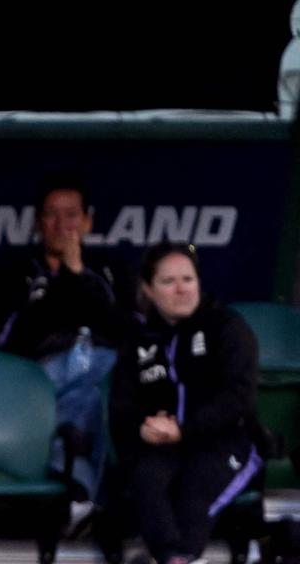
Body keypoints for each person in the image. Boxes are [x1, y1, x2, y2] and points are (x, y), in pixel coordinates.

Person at [0, 176, 132, 519]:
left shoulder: (108, 268)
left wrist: (78, 272)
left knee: (94, 393)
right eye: (52, 215)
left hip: (106, 369)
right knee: (86, 395)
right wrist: (63, 279)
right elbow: (4, 339)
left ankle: (76, 493)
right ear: (37, 222)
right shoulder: (16, 270)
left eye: (71, 215)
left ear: (88, 221)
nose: (62, 225)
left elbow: (124, 330)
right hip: (40, 374)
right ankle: (92, 502)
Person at [109, 242, 261, 564]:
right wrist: (143, 427)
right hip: (162, 445)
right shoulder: (139, 340)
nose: (181, 289)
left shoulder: (226, 326)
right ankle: (176, 559)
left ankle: (181, 558)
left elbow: (239, 397)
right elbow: (121, 406)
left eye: (188, 279)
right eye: (168, 282)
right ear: (148, 290)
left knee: (194, 490)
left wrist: (184, 428)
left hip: (224, 443)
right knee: (147, 478)